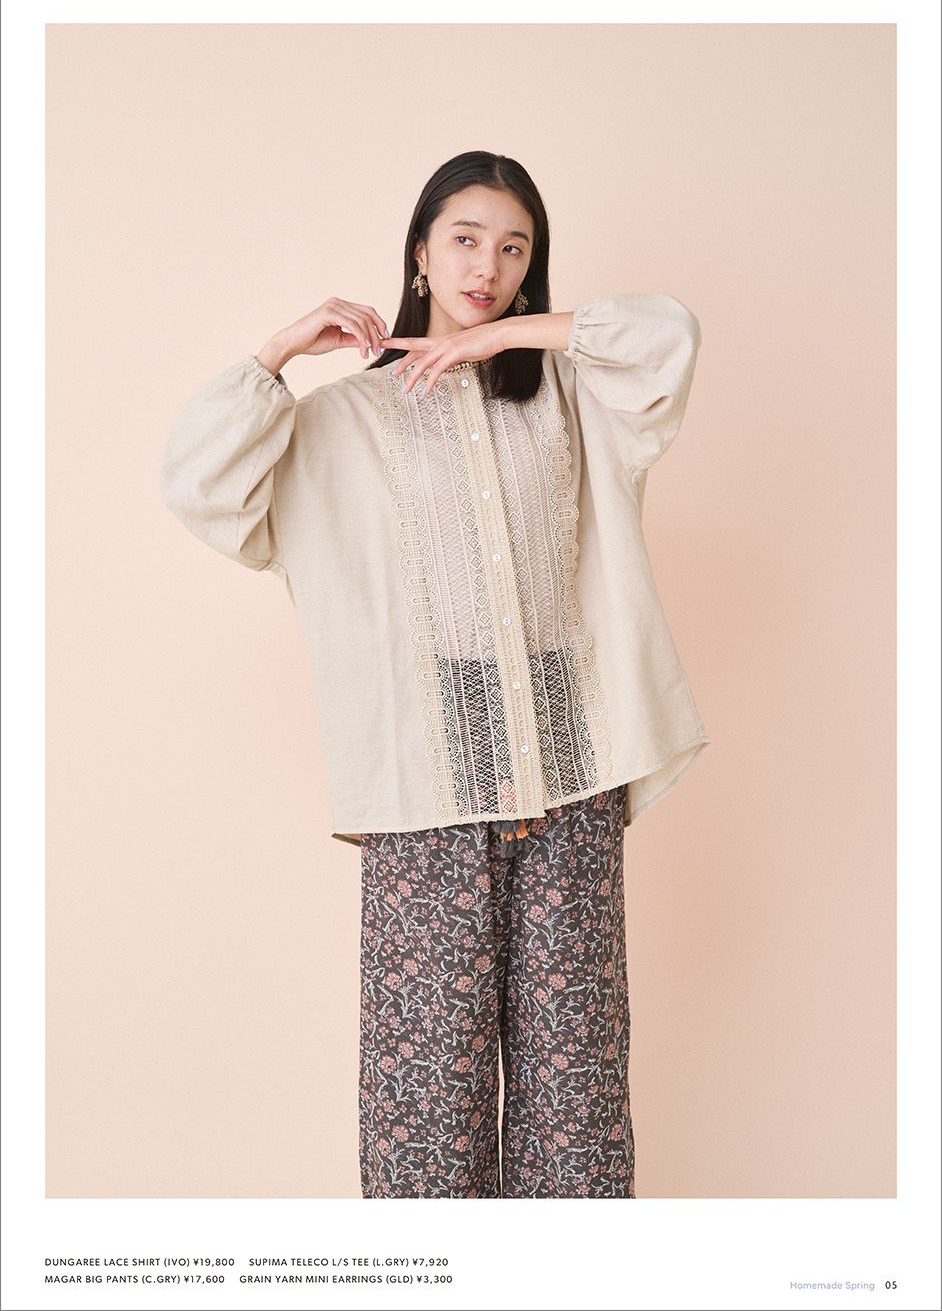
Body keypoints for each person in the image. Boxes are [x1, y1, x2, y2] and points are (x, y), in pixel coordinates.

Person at [160, 150, 709, 1199]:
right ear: (419, 251)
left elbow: (668, 336)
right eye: (464, 240)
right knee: (427, 1103)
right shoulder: (344, 422)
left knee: (578, 1096)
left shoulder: (572, 398)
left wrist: (510, 339)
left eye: (513, 249)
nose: (486, 267)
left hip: (570, 786)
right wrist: (278, 352)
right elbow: (200, 483)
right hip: (424, 800)